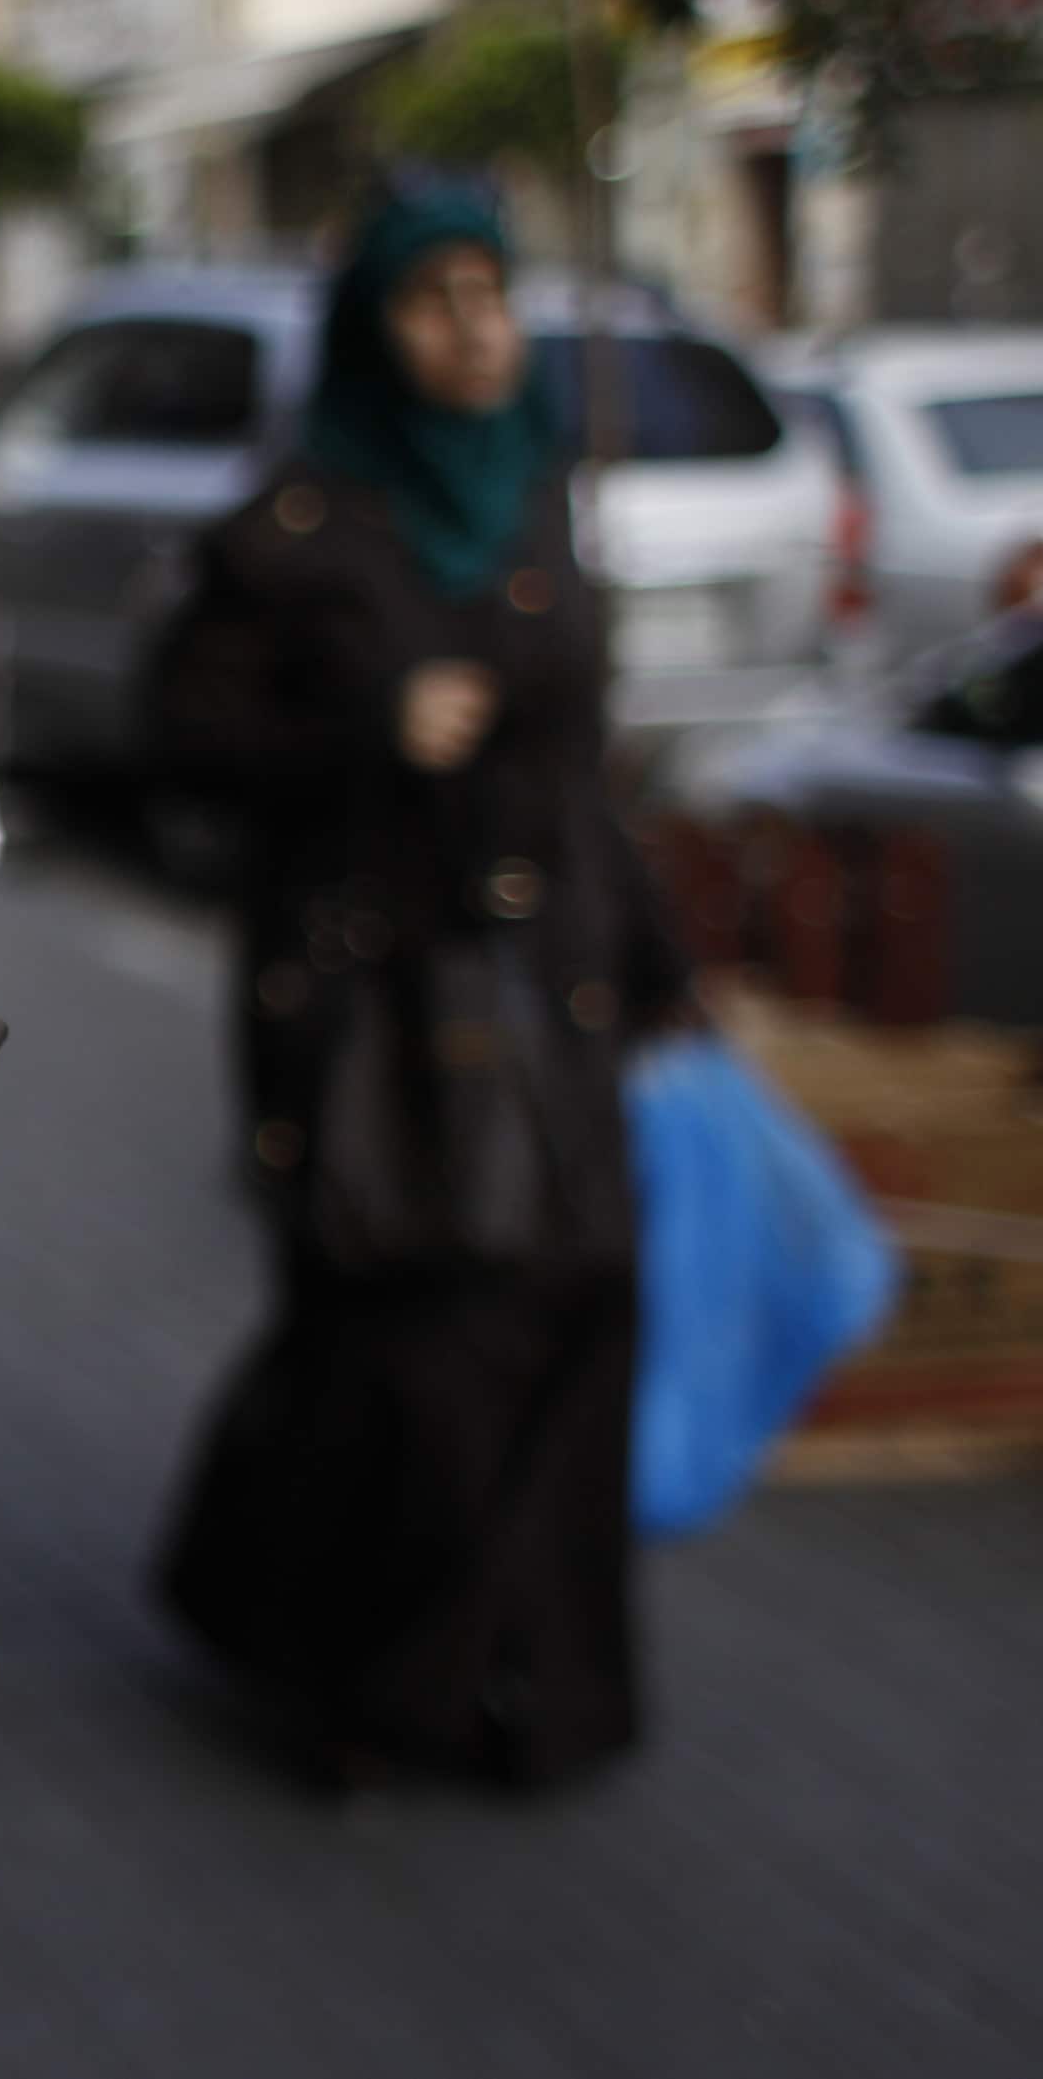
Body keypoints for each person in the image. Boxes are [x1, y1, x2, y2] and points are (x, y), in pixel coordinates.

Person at [150, 188, 693, 1792]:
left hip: (554, 988)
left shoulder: (534, 489)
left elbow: (579, 764)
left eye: (493, 296)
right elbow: (178, 740)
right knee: (404, 1342)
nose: (473, 331)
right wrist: (367, 727)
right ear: (370, 333)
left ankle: (532, 1685)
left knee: (577, 1307)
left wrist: (658, 961)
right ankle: (347, 1681)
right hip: (372, 1007)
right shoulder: (301, 522)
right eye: (432, 301)